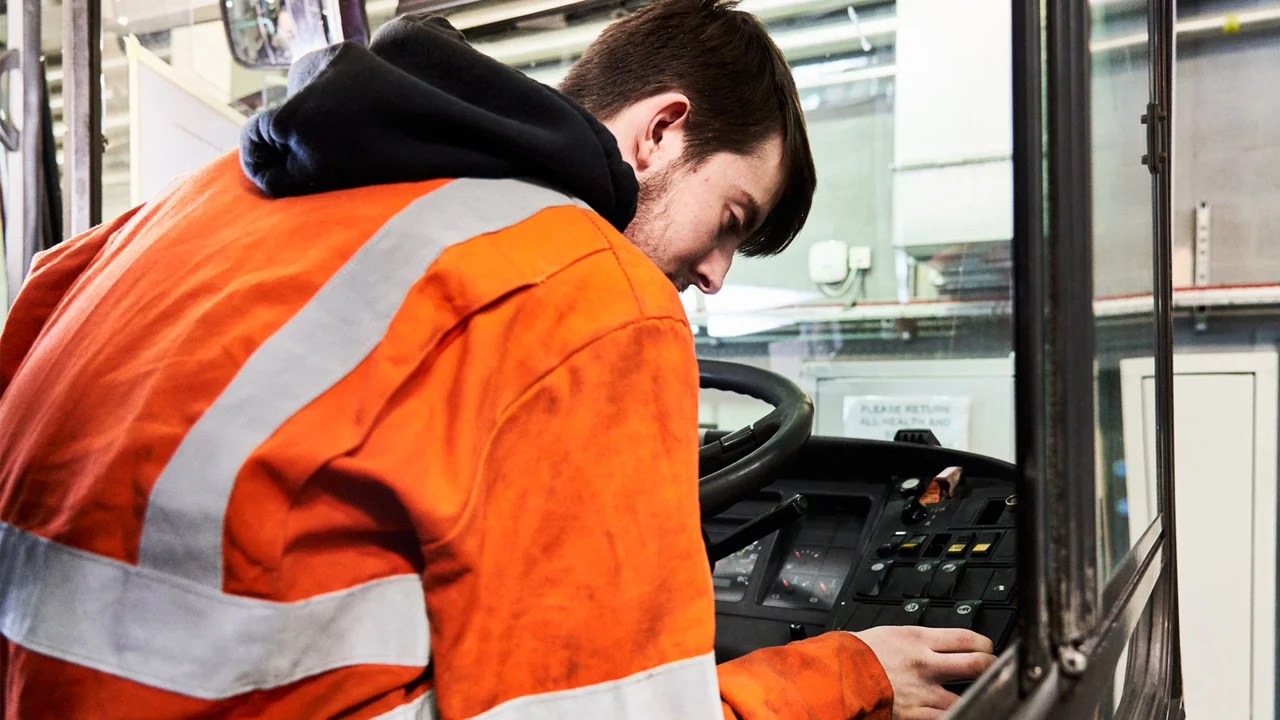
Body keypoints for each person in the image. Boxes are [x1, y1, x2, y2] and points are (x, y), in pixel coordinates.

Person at [0, 1, 995, 718]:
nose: (715, 275)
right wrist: (842, 675)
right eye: (729, 220)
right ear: (658, 132)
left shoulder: (169, 215)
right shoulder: (588, 291)